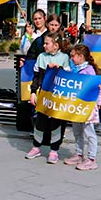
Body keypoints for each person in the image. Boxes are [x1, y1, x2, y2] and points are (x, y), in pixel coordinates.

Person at [26, 32, 70, 163]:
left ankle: (54, 150)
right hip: (43, 94)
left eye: (47, 43)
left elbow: (67, 77)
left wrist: (59, 68)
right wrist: (33, 92)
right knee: (40, 121)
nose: (44, 46)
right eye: (44, 43)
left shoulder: (64, 58)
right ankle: (36, 147)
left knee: (56, 123)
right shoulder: (41, 57)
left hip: (57, 96)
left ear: (56, 45)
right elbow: (36, 76)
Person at [63, 44, 100, 171]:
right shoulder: (75, 70)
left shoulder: (88, 70)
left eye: (73, 56)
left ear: (81, 56)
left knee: (89, 133)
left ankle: (91, 158)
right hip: (77, 107)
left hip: (86, 107)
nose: (71, 58)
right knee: (77, 131)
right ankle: (79, 154)